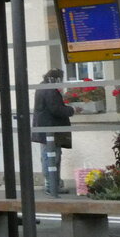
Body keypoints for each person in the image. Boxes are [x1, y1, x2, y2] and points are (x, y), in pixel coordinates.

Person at [32, 68, 74, 196]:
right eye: (60, 79)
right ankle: (52, 186)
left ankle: (52, 184)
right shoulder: (50, 90)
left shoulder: (42, 87)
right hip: (51, 130)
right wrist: (71, 110)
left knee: (48, 156)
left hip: (44, 129)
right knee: (52, 157)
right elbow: (55, 109)